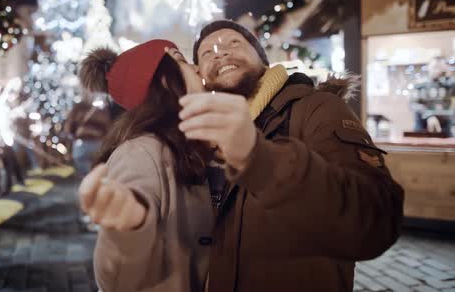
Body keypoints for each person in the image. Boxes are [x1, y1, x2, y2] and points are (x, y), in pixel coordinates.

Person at [177, 20, 404, 291]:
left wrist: (258, 158)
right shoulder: (201, 136)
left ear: (262, 58)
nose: (221, 52)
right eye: (207, 53)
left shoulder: (318, 108)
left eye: (233, 43)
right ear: (200, 72)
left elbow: (376, 221)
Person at [77, 40, 213, 292]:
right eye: (182, 61)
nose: (196, 68)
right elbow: (113, 280)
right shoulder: (139, 152)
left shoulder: (194, 143)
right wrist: (129, 227)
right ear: (164, 81)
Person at [63, 92, 112, 177]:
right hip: (82, 140)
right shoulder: (78, 107)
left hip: (97, 140)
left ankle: (93, 177)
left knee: (98, 161)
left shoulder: (101, 107)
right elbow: (71, 122)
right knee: (79, 158)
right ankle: (91, 176)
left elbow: (106, 124)